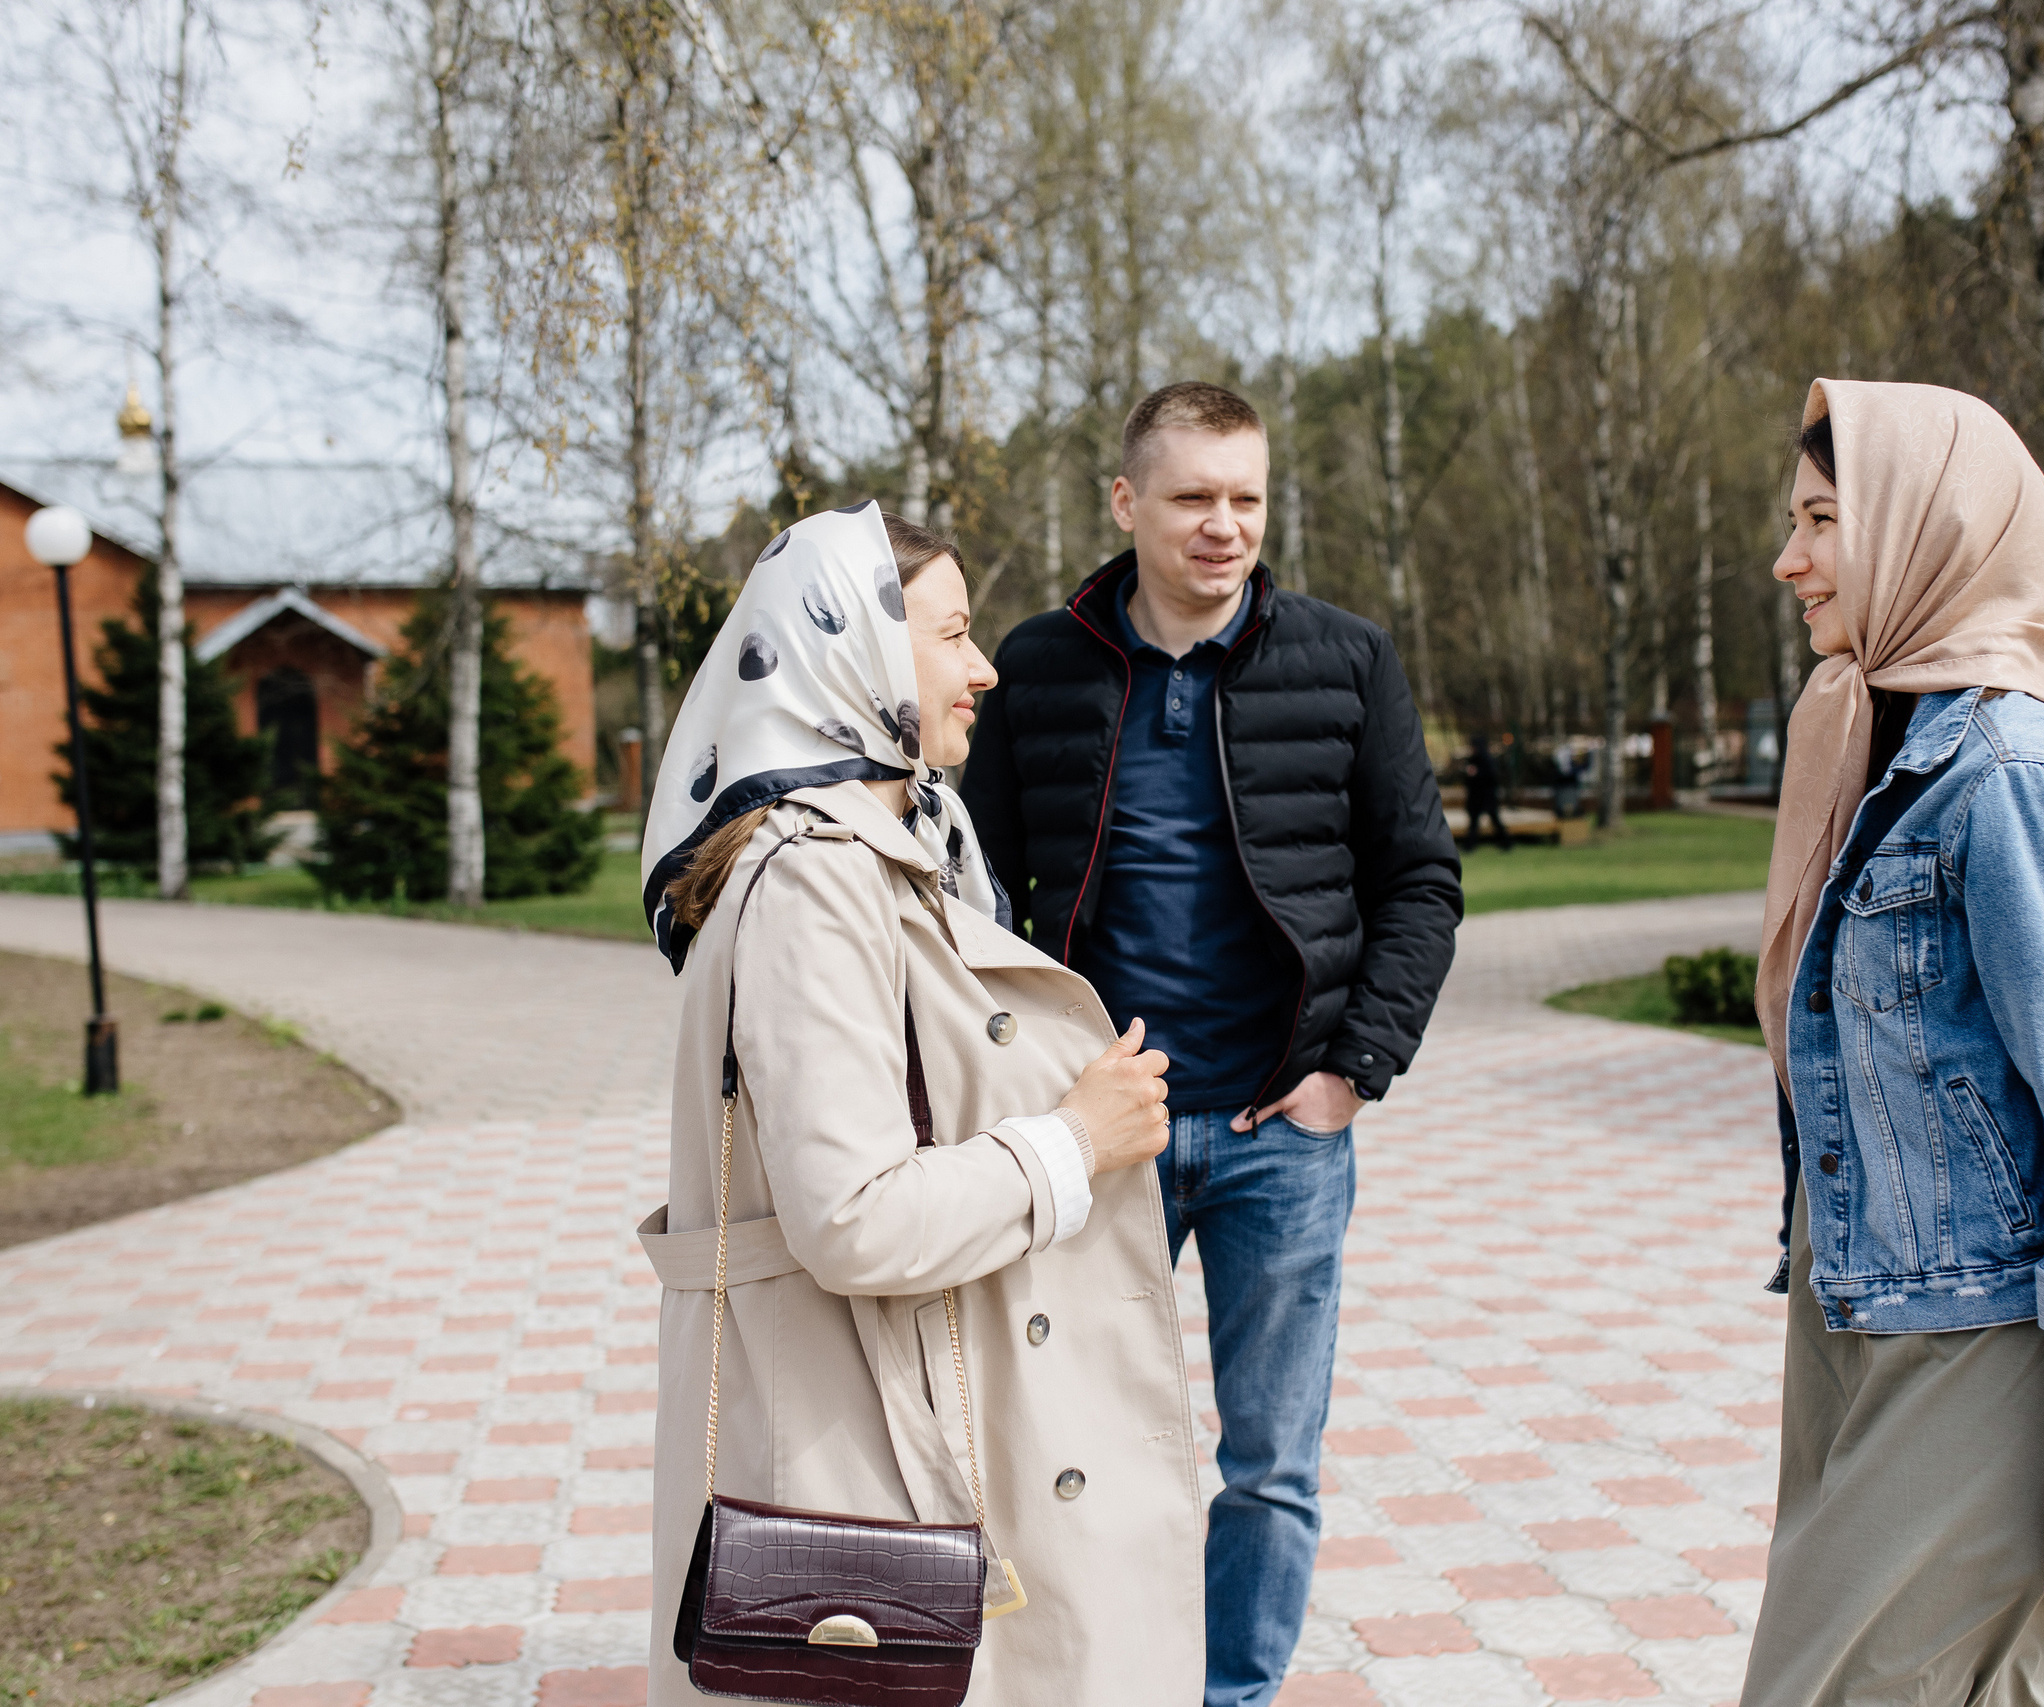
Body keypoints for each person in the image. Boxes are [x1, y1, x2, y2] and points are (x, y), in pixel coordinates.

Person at [634, 504, 1206, 1707]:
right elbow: (852, 1216)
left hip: (900, 1398)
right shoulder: (815, 878)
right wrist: (1072, 1142)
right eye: (950, 635)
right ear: (852, 651)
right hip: (857, 1439)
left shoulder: (901, 843)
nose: (984, 666)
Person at [962, 382, 1462, 1707]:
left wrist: (1354, 1068)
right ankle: (1090, 1676)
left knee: (1272, 1462)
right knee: (1062, 1441)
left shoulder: (1345, 660)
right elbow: (969, 895)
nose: (1223, 525)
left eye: (1245, 496)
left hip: (1274, 1133)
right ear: (1126, 504)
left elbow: (1420, 876)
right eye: (1192, 496)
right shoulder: (1033, 667)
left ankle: (1229, 1694)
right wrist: (1030, 1088)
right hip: (1097, 1130)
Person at [1740, 381, 2044, 1706]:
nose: (1791, 559)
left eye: (1826, 519)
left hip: (1999, 1334)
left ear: (1928, 530)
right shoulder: (1887, 753)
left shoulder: (2013, 780)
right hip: (1876, 1305)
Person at [1461, 729, 1509, 849]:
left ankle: (1505, 842)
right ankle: (1470, 844)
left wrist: (1477, 773)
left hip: (1486, 795)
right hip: (1476, 795)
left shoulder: (1487, 759)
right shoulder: (1472, 759)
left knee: (1494, 819)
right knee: (1474, 821)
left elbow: (1492, 777)